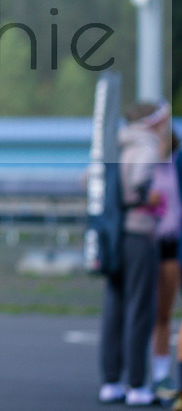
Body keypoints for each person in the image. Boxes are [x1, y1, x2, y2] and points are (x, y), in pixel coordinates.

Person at [99, 101, 170, 406]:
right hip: (139, 233)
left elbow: (90, 180)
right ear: (154, 122)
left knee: (114, 308)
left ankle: (111, 381)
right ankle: (138, 385)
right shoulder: (148, 147)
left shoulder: (116, 144)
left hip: (113, 235)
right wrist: (152, 197)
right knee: (141, 309)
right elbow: (141, 184)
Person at [151, 128, 181, 400]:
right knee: (156, 313)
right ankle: (155, 374)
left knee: (167, 312)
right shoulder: (141, 164)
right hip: (151, 243)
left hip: (173, 243)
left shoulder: (175, 164)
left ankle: (162, 374)